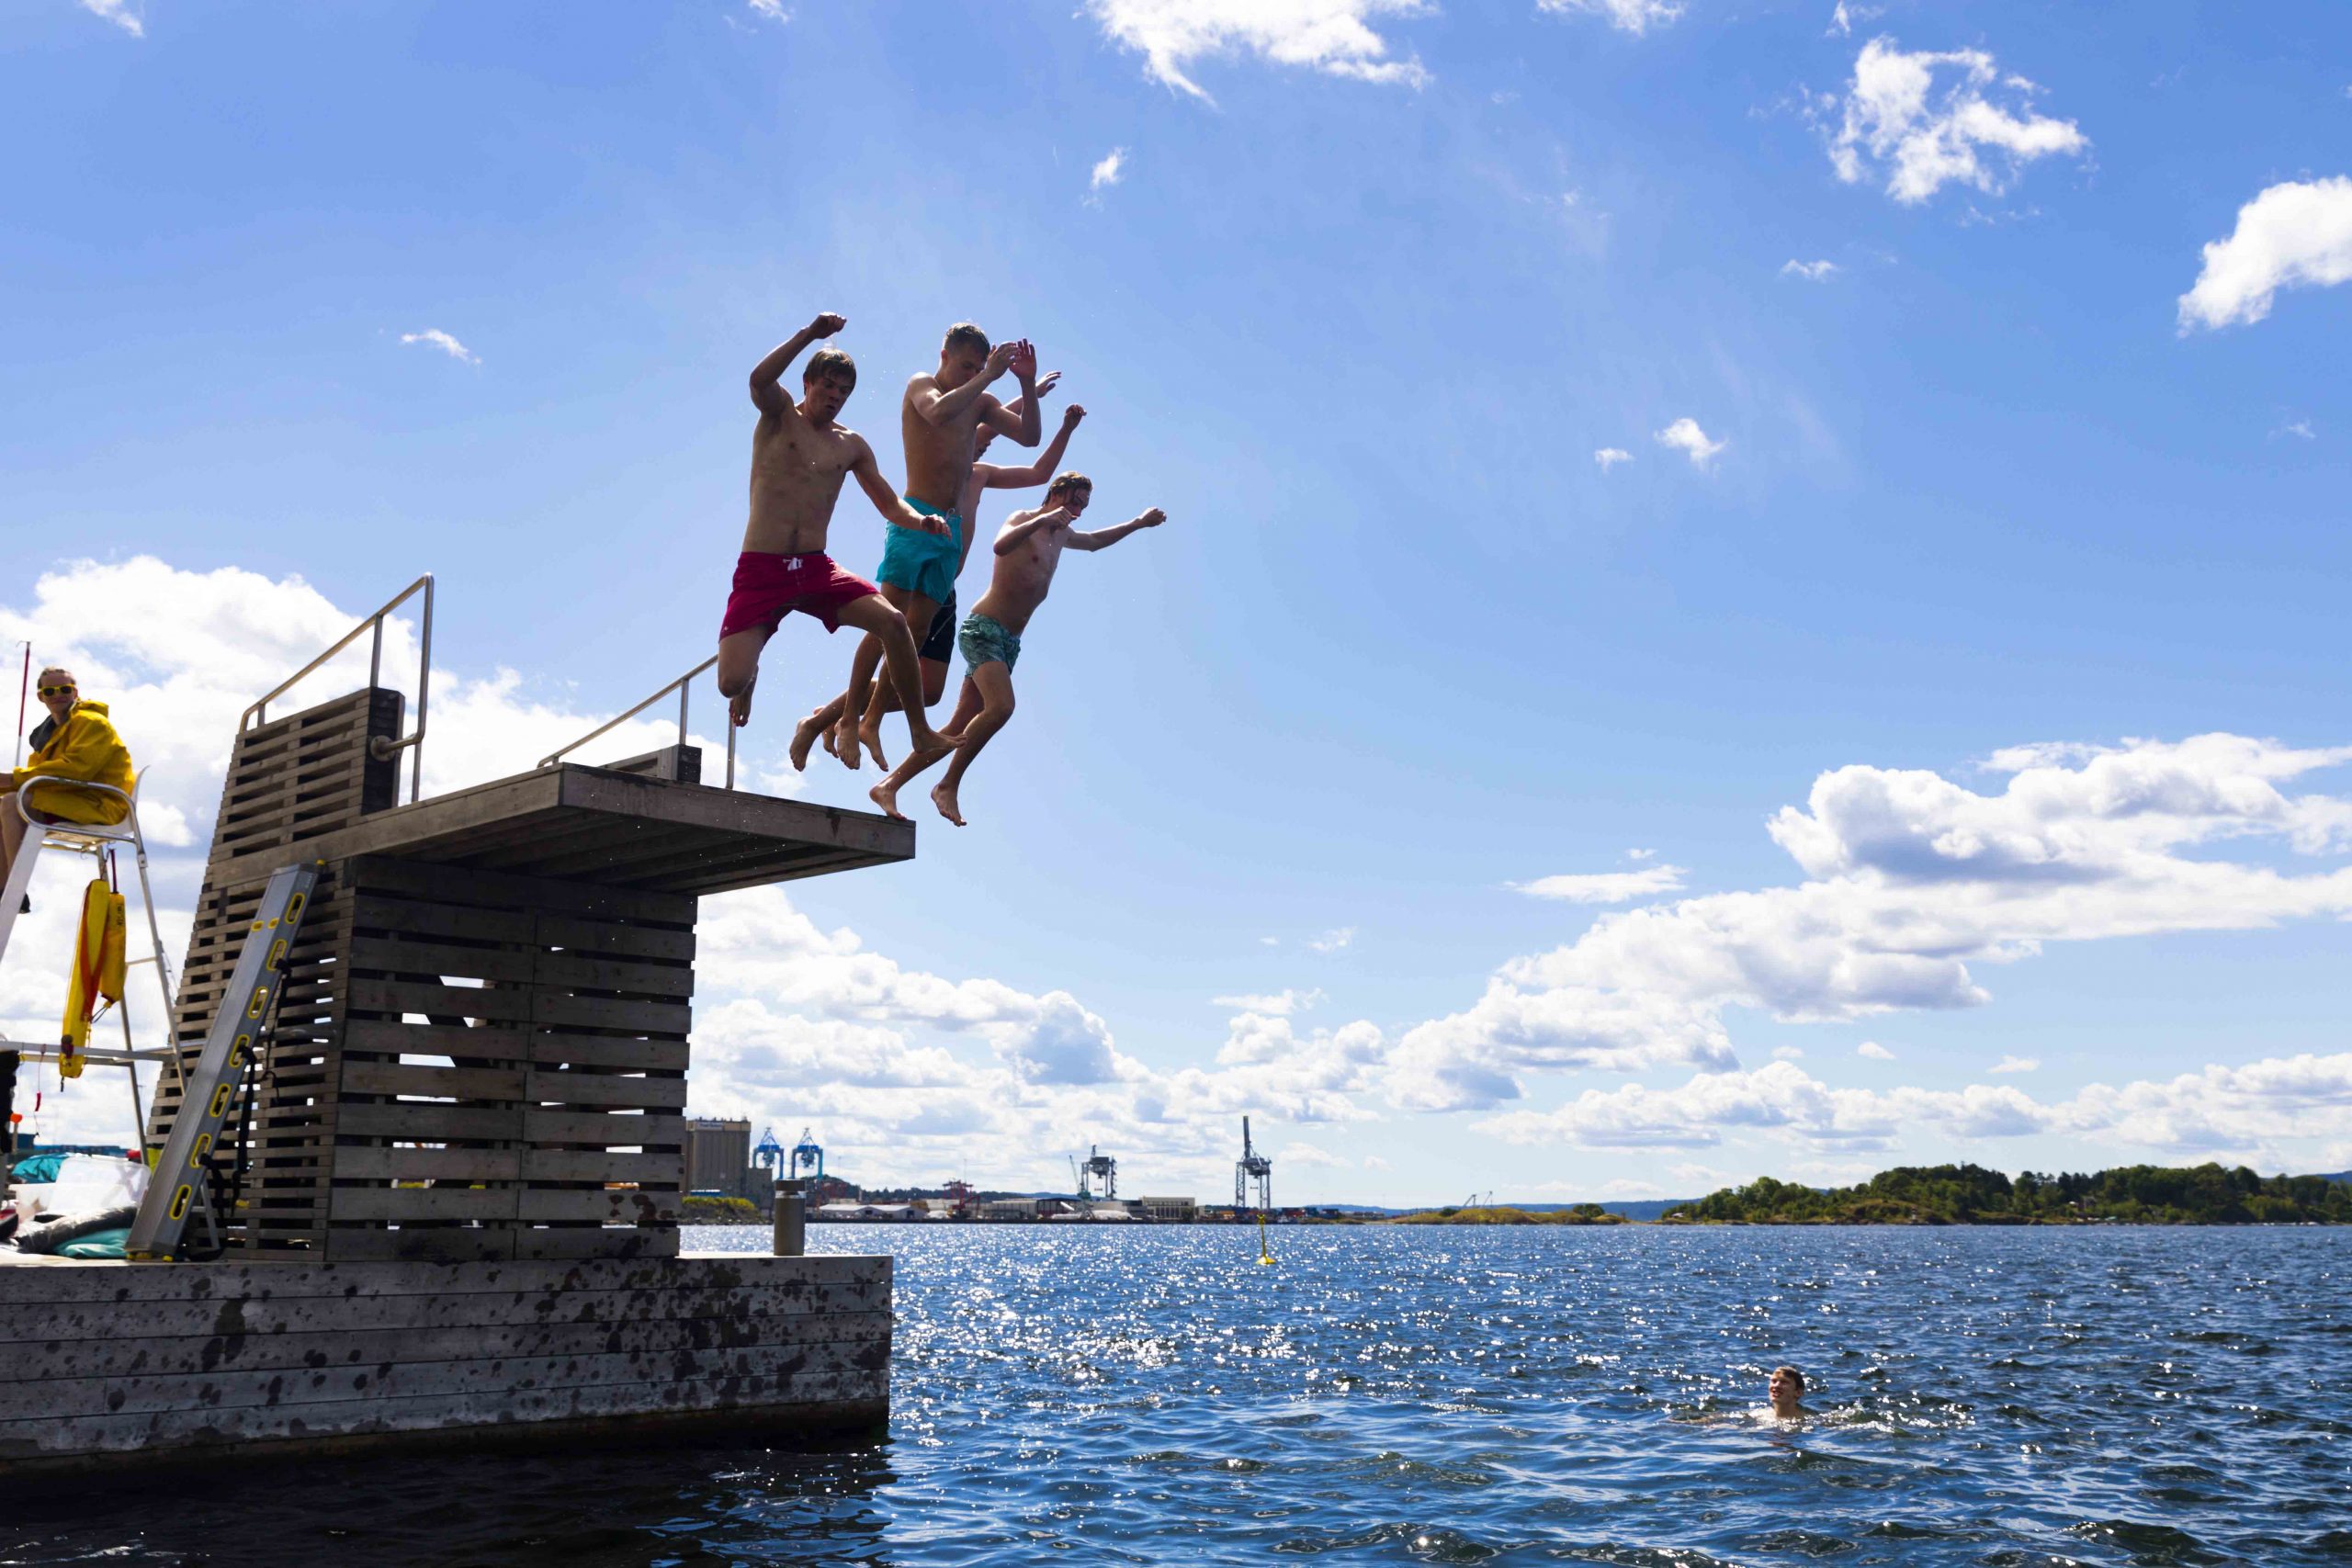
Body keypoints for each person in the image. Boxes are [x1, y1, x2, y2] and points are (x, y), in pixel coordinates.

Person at [713, 312, 956, 779]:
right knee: (730, 683)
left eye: (843, 392)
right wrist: (809, 333)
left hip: (815, 568)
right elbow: (758, 378)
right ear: (806, 383)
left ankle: (921, 732)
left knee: (893, 622)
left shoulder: (851, 445)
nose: (834, 398)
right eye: (827, 387)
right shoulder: (779, 414)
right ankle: (752, 665)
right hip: (762, 569)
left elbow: (889, 504)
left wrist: (921, 520)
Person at [790, 395, 1087, 772]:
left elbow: (1035, 468)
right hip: (919, 568)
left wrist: (1043, 407)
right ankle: (855, 720)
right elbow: (976, 419)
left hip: (944, 587)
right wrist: (1021, 392)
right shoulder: (941, 470)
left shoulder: (980, 475)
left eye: (985, 443)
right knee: (890, 639)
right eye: (977, 440)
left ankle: (829, 718)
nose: (984, 445)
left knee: (927, 691)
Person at [868, 474, 1164, 825]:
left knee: (961, 724)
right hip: (984, 629)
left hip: (1009, 643)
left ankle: (889, 785)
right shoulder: (1024, 518)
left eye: (1084, 505)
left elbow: (1096, 541)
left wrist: (1138, 523)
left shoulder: (1064, 535)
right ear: (1056, 493)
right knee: (1002, 707)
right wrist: (1042, 518)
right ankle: (947, 784)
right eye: (1074, 500)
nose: (1078, 510)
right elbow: (1001, 545)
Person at [828, 321, 1043, 770]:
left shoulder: (981, 400)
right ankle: (847, 720)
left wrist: (1024, 381)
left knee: (916, 632)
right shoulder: (922, 385)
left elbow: (1029, 437)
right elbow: (938, 413)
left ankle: (871, 721)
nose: (972, 374)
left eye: (979, 368)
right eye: (965, 365)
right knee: (886, 620)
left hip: (950, 531)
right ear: (943, 355)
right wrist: (987, 379)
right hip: (915, 519)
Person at [1, 669, 135, 909]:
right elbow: (43, 778)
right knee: (6, 803)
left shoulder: (92, 723)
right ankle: (5, 891)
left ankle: (15, 890)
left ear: (75, 692)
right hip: (71, 800)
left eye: (65, 689)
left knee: (12, 802)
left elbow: (76, 769)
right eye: (50, 691)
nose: (58, 695)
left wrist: (12, 779)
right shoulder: (49, 733)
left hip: (101, 805)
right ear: (41, 697)